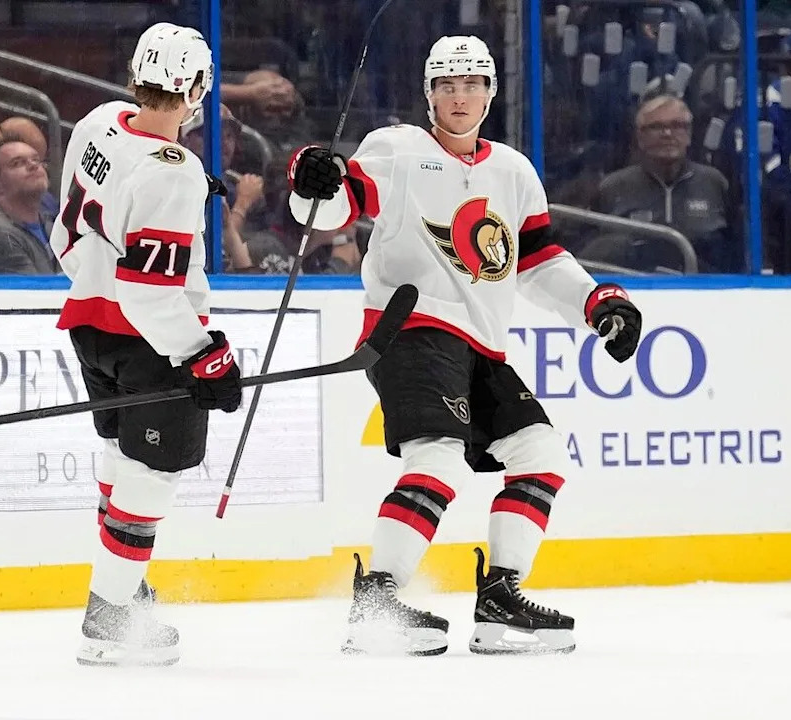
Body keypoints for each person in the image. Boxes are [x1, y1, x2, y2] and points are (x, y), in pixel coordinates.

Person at [287, 36, 642, 656]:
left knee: (541, 455)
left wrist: (596, 302)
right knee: (438, 458)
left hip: (482, 342)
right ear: (429, 94)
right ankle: (377, 604)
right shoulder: (395, 149)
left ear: (491, 92)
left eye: (473, 83)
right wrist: (311, 180)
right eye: (447, 85)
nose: (460, 96)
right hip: (409, 327)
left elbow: (534, 258)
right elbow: (332, 209)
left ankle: (501, 601)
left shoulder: (512, 170)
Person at [49, 23, 242, 667]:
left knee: (117, 454)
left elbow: (65, 236)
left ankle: (123, 591)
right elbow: (150, 293)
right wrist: (201, 351)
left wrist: (99, 278)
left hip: (88, 327)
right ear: (197, 88)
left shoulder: (99, 121)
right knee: (152, 476)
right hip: (148, 342)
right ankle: (108, 618)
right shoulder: (176, 172)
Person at [587, 95, 737, 273]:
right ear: (640, 137)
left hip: (705, 291)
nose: (667, 134)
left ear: (689, 135)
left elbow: (735, 250)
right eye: (656, 127)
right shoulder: (613, 187)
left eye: (677, 126)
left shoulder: (715, 183)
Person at [0, 139, 59, 274]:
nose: (33, 165)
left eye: (36, 159)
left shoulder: (51, 224)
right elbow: (35, 293)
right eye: (17, 163)